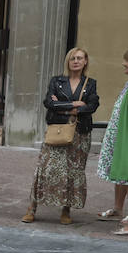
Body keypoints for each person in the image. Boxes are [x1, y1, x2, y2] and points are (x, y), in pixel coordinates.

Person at [24, 47, 99, 225]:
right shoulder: (57, 81)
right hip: (57, 130)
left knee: (72, 172)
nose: (76, 61)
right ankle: (32, 208)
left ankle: (66, 209)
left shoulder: (90, 83)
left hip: (79, 135)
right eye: (73, 58)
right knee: (44, 169)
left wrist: (63, 106)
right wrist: (73, 105)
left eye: (80, 58)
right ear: (68, 61)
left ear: (85, 61)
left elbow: (92, 105)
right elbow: (49, 102)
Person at [96, 48, 128, 235]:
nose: (123, 64)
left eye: (126, 61)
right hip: (120, 133)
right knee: (121, 171)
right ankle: (118, 209)